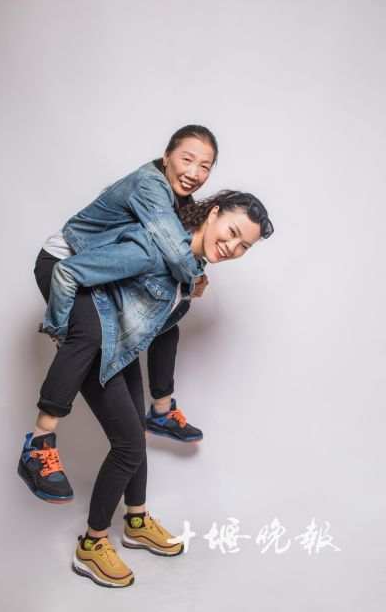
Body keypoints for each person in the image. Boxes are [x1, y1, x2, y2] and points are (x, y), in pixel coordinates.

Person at [30, 190, 274, 587]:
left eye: (243, 246)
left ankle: (137, 520)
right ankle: (92, 545)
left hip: (120, 348)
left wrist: (189, 289)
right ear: (212, 214)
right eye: (230, 232)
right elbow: (72, 271)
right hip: (97, 343)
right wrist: (68, 333)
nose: (231, 247)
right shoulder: (156, 246)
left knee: (135, 438)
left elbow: (158, 325)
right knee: (127, 445)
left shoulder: (189, 265)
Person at [18, 125, 218, 505]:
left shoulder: (177, 201)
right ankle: (39, 443)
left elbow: (174, 253)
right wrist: (62, 329)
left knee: (167, 320)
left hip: (96, 274)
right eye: (187, 159)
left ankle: (161, 410)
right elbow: (175, 253)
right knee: (89, 334)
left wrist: (191, 280)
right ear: (167, 156)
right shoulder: (150, 186)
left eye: (205, 166)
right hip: (64, 262)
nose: (194, 171)